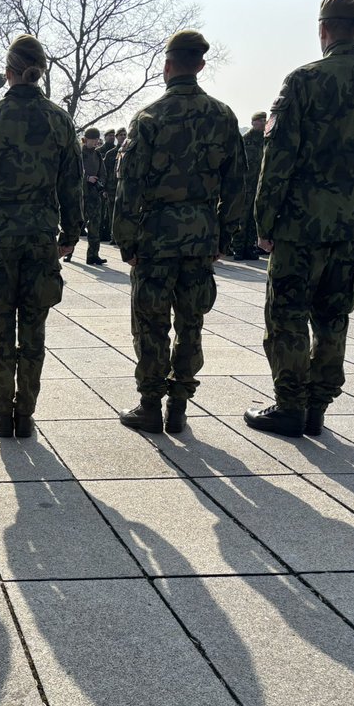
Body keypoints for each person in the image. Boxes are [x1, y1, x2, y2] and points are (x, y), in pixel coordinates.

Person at [246, 0, 354, 438]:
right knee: (334, 315)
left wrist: (265, 222)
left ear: (323, 28)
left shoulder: (304, 80)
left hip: (300, 223)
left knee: (288, 314)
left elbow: (276, 158)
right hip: (350, 222)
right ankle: (318, 406)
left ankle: (290, 405)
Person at [113, 30, 245, 435]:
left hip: (156, 236)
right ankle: (180, 406)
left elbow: (129, 185)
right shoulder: (222, 116)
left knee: (151, 322)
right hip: (201, 235)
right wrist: (224, 237)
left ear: (167, 66)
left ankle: (150, 404)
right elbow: (238, 183)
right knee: (192, 321)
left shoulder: (150, 117)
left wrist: (125, 239)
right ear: (200, 65)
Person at [0, 34, 83, 439]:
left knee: (0, 330)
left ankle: (2, 413)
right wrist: (71, 231)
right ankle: (25, 415)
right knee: (33, 330)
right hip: (40, 239)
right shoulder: (60, 119)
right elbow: (72, 184)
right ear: (39, 71)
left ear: (7, 72)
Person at [233, 112, 266, 260]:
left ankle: (250, 247)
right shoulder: (245, 140)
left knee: (254, 217)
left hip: (259, 186)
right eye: (260, 121)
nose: (264, 123)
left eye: (265, 120)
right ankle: (238, 248)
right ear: (253, 122)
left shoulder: (266, 141)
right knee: (242, 217)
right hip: (246, 185)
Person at [80, 128, 108, 265]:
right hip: (80, 195)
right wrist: (87, 178)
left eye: (97, 139)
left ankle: (93, 255)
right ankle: (66, 250)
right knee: (76, 224)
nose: (96, 141)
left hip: (94, 195)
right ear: (86, 139)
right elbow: (73, 171)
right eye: (93, 139)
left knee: (95, 225)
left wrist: (100, 184)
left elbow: (103, 172)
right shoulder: (78, 154)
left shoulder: (97, 155)